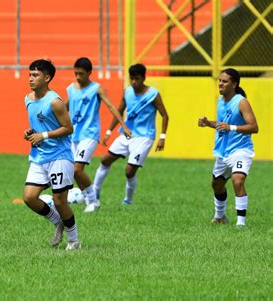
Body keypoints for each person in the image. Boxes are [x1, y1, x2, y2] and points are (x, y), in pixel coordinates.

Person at [23, 59, 81, 250]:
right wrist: (31, 133)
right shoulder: (28, 99)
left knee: (59, 200)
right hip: (39, 156)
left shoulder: (55, 102)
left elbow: (69, 128)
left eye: (35, 75)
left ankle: (74, 241)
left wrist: (44, 135)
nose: (31, 78)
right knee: (29, 197)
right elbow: (39, 125)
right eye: (30, 74)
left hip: (59, 156)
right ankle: (58, 222)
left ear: (47, 78)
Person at [93, 64, 169, 205]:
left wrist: (162, 137)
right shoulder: (128, 92)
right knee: (105, 160)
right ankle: (94, 193)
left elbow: (165, 116)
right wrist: (109, 132)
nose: (134, 82)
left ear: (144, 78)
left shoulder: (153, 94)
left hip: (144, 137)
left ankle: (128, 200)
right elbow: (119, 112)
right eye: (131, 79)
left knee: (129, 171)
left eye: (137, 79)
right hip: (127, 134)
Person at [66, 57, 131, 213]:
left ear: (89, 73)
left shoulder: (96, 89)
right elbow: (66, 106)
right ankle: (88, 198)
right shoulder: (71, 88)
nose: (78, 77)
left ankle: (93, 201)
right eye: (76, 73)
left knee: (76, 169)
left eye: (81, 74)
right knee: (73, 171)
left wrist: (123, 125)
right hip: (74, 135)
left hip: (90, 134)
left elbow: (111, 107)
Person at [198, 68, 258, 227]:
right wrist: (208, 123)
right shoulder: (220, 101)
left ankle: (241, 224)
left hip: (241, 150)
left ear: (234, 84)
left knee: (238, 180)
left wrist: (231, 128)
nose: (220, 84)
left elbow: (253, 127)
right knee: (216, 184)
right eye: (220, 81)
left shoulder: (241, 101)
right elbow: (222, 125)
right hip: (224, 152)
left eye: (224, 81)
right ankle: (220, 216)